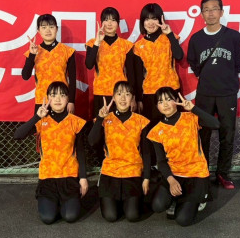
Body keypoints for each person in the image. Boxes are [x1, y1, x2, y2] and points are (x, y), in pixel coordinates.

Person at [187, 0, 240, 190]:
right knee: (202, 134)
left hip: (227, 93)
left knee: (227, 134)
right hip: (205, 93)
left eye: (214, 9)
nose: (210, 13)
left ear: (221, 12)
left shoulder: (233, 36)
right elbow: (193, 62)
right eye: (206, 10)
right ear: (201, 14)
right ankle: (202, 172)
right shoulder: (196, 39)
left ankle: (222, 173)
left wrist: (226, 77)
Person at [14, 81, 88, 224]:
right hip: (48, 178)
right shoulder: (42, 121)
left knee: (70, 217)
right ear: (48, 98)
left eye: (62, 95)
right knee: (48, 218)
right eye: (53, 95)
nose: (58, 99)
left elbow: (81, 151)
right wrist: (37, 117)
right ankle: (54, 202)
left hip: (69, 177)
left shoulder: (75, 122)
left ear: (68, 99)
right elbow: (17, 135)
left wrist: (83, 178)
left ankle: (66, 201)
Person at [147, 87, 220, 227]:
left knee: (182, 220)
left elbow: (216, 124)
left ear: (176, 101)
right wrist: (171, 180)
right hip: (175, 173)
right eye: (161, 101)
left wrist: (193, 109)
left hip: (196, 173)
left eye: (169, 99)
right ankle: (175, 199)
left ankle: (197, 199)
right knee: (157, 205)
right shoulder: (156, 131)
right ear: (157, 106)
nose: (165, 104)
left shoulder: (190, 117)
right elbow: (161, 162)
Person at [88, 81, 150, 222]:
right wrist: (100, 118)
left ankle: (130, 201)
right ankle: (118, 200)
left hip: (132, 172)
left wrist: (146, 178)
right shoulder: (106, 119)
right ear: (113, 98)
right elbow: (92, 141)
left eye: (127, 94)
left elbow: (146, 153)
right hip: (110, 172)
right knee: (111, 216)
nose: (123, 98)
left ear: (132, 98)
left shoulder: (141, 121)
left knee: (133, 216)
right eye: (119, 94)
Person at [133, 3, 183, 121]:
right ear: (142, 22)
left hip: (171, 89)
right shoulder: (138, 46)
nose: (150, 23)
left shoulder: (169, 38)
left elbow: (179, 56)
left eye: (154, 18)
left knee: (174, 127)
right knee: (153, 128)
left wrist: (169, 34)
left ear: (160, 20)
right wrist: (139, 99)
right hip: (150, 92)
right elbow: (138, 75)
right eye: (147, 19)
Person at [22, 14, 76, 114]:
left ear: (57, 29)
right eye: (44, 27)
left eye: (51, 27)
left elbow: (72, 80)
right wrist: (32, 55)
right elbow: (25, 76)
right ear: (38, 31)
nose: (48, 30)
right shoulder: (34, 51)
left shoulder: (67, 51)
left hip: (61, 101)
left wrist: (71, 101)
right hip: (41, 101)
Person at [85, 7, 134, 117]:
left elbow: (131, 73)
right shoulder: (92, 43)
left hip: (121, 94)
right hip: (100, 92)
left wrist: (133, 97)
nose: (109, 23)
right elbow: (89, 65)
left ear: (118, 23)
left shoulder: (126, 45)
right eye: (106, 20)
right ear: (101, 22)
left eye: (113, 20)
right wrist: (97, 42)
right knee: (100, 124)